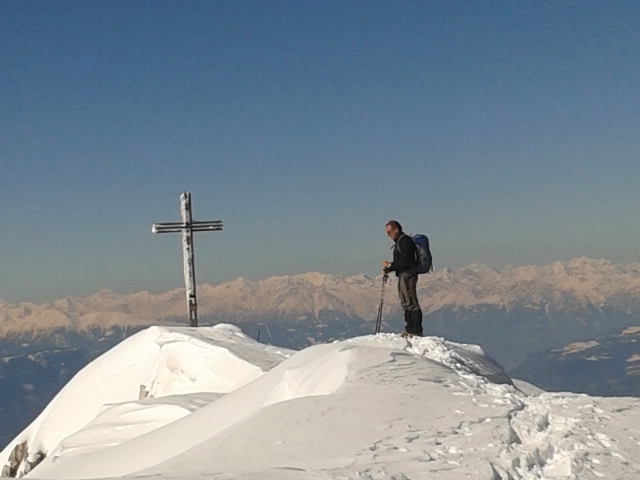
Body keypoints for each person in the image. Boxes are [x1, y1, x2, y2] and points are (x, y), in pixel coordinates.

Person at [381, 220, 423, 336]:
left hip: (408, 274)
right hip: (404, 274)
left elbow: (406, 261)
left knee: (410, 301)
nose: (388, 235)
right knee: (406, 301)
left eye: (389, 232)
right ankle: (410, 328)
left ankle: (415, 330)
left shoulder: (404, 241)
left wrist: (390, 266)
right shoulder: (402, 241)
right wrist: (391, 267)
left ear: (396, 230)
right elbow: (402, 261)